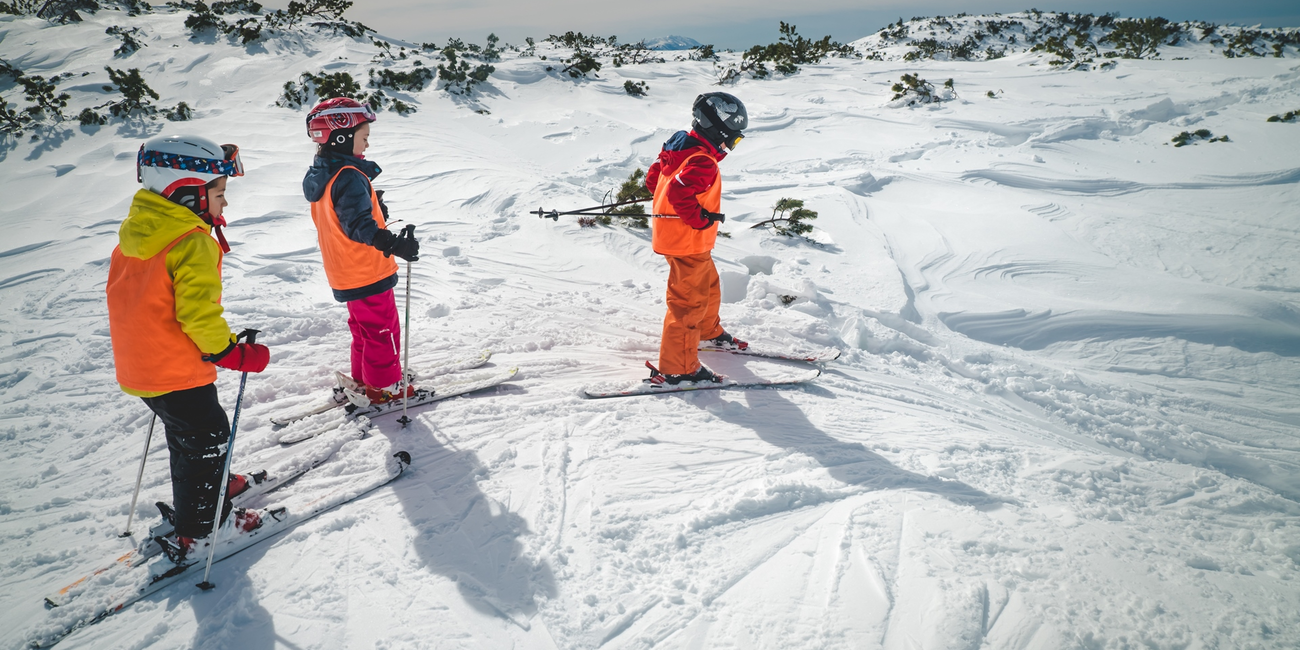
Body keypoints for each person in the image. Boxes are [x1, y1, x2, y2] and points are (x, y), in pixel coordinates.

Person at [107, 134, 269, 562]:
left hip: (142, 369)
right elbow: (198, 316)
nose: (224, 204)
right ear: (187, 192)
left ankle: (210, 486)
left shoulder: (136, 233)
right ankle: (203, 531)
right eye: (218, 194)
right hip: (177, 369)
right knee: (207, 436)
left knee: (188, 435)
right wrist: (232, 353)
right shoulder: (192, 242)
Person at [302, 98, 420, 405]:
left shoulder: (325, 175)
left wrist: (373, 206)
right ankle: (384, 387)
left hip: (345, 272)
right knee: (383, 330)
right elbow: (357, 226)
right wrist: (393, 243)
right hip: (366, 270)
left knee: (365, 330)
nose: (367, 143)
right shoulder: (349, 176)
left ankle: (365, 378)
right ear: (341, 137)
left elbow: (342, 218)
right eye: (363, 137)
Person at [644, 92, 750, 385]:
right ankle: (679, 368)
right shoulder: (703, 161)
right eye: (733, 140)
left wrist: (678, 202)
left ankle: (707, 332)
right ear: (718, 131)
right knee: (687, 303)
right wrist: (698, 217)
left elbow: (655, 180)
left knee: (708, 285)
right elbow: (679, 192)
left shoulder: (681, 146)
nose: (730, 146)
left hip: (685, 240)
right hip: (685, 240)